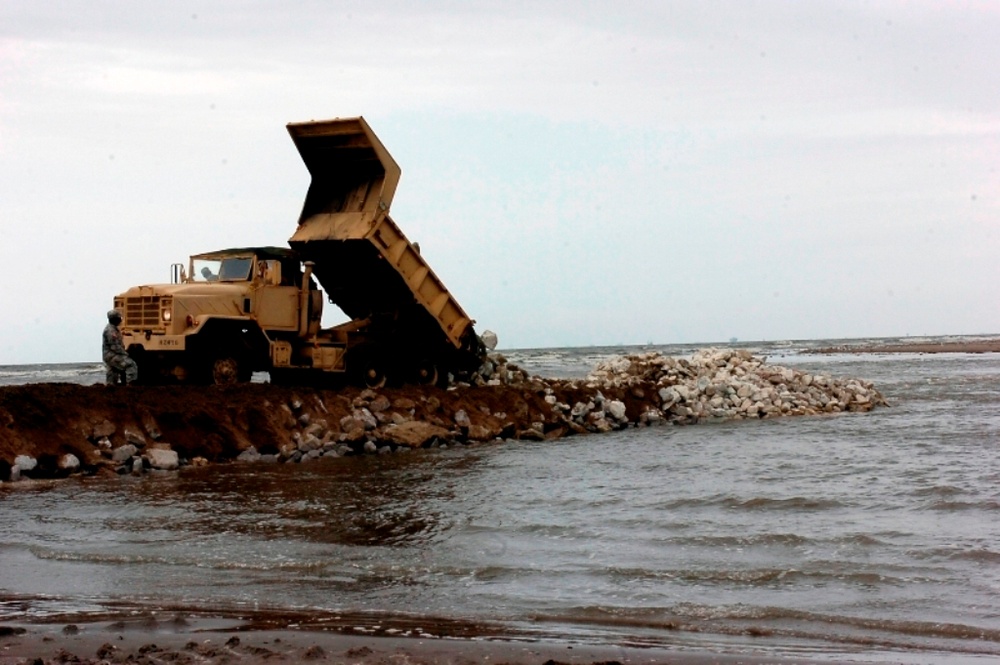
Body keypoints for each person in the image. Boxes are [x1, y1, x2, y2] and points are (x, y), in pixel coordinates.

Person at [103, 310, 138, 385]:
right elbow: (115, 346)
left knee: (113, 373)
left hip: (109, 355)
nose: (120, 319)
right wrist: (125, 354)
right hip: (112, 355)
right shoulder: (111, 331)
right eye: (119, 318)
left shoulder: (113, 329)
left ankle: (111, 386)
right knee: (131, 365)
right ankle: (131, 384)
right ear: (114, 319)